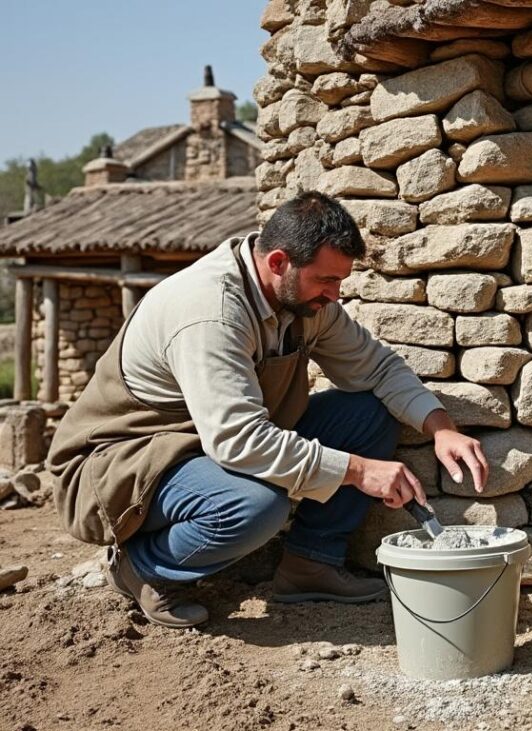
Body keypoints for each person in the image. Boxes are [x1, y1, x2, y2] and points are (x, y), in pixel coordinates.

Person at [48, 191, 488, 628]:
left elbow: (375, 367)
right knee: (255, 505)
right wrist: (358, 471)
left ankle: (310, 565)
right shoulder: (211, 313)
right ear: (278, 262)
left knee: (367, 413)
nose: (335, 295)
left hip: (203, 447)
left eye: (339, 281)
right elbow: (238, 442)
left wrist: (440, 427)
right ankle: (143, 567)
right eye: (326, 281)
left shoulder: (304, 301)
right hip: (121, 466)